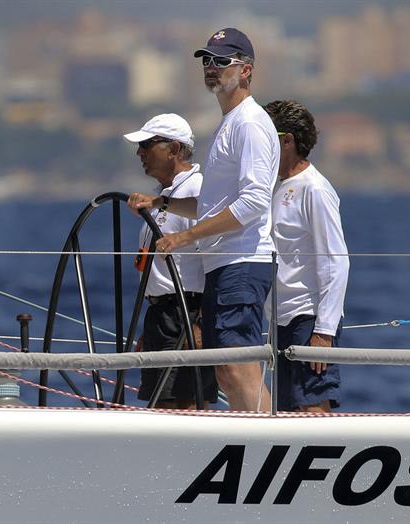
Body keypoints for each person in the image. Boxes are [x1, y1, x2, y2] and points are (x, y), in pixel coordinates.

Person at [128, 28, 279, 411]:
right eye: (206, 61)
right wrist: (162, 202)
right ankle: (255, 438)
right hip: (224, 263)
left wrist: (185, 237)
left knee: (237, 367)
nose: (211, 68)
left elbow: (254, 203)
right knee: (227, 369)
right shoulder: (230, 123)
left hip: (243, 261)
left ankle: (262, 444)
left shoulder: (249, 123)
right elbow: (213, 204)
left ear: (245, 70)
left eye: (221, 62)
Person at [264, 99, 349, 413]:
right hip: (281, 318)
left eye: (266, 137)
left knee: (312, 408)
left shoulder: (314, 189)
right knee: (286, 413)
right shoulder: (275, 187)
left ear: (287, 141)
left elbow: (336, 260)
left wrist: (324, 332)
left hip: (308, 317)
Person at [123, 113, 213, 410]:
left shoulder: (197, 189)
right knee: (164, 403)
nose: (140, 153)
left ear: (174, 149)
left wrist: (199, 323)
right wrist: (151, 330)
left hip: (186, 312)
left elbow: (215, 258)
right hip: (162, 315)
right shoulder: (165, 195)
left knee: (182, 405)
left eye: (147, 145)